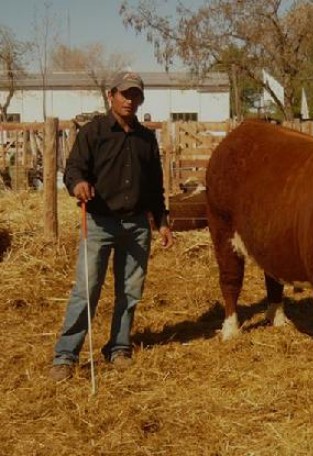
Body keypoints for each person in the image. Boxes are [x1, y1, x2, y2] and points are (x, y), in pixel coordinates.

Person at [49, 71, 174, 381]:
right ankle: (66, 355)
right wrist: (78, 184)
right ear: (111, 96)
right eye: (125, 94)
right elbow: (73, 169)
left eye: (136, 95)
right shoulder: (93, 132)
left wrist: (162, 222)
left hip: (135, 226)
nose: (130, 100)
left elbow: (155, 186)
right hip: (100, 222)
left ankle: (118, 347)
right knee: (86, 290)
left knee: (130, 292)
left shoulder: (146, 139)